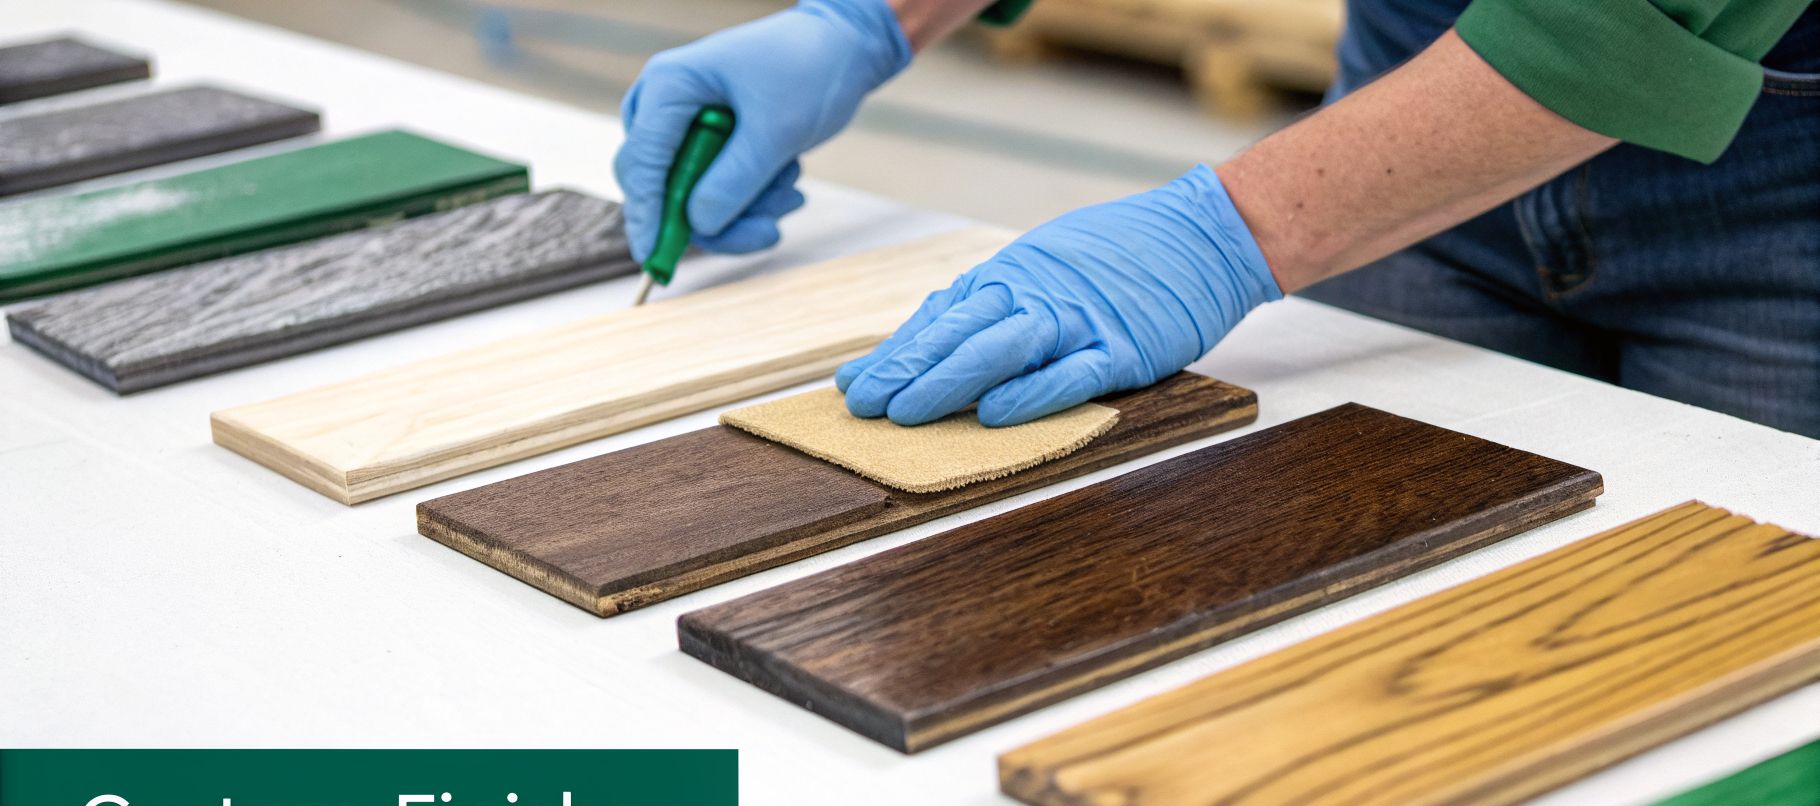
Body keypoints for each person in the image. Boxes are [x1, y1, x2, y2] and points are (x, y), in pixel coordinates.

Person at [613, 0, 1819, 437]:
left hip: (1781, 193)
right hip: (1412, 120)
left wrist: (1228, 233)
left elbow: (1609, 30)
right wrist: (873, 15)